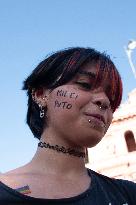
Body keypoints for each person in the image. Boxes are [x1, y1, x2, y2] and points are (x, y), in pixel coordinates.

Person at [0, 47, 136, 205]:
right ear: (40, 95)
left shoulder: (128, 195)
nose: (104, 101)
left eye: (112, 100)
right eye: (85, 84)